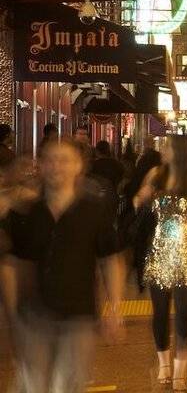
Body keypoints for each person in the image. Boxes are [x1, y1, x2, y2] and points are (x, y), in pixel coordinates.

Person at [0, 140, 125, 392]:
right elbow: (13, 265)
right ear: (42, 166)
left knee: (67, 386)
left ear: (79, 166)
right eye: (50, 160)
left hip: (78, 316)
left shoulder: (94, 210)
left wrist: (115, 309)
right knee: (33, 386)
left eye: (64, 160)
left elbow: (110, 259)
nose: (57, 166)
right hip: (34, 316)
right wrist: (11, 317)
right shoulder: (26, 212)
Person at [133, 135, 187, 391]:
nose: (163, 150)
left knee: (183, 314)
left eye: (168, 146)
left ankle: (180, 371)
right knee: (159, 313)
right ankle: (164, 364)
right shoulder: (155, 175)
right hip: (160, 251)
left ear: (179, 152)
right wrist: (141, 197)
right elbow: (137, 201)